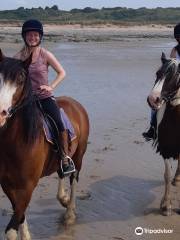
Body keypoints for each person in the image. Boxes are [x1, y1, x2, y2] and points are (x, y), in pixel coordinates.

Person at [15, 19, 75, 175]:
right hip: (24, 101)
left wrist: (51, 86)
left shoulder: (46, 54)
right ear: (24, 36)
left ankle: (64, 158)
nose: (32, 37)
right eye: (29, 35)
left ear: (40, 37)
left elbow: (62, 73)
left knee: (58, 122)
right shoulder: (18, 57)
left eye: (36, 35)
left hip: (44, 98)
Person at [142, 22, 180, 141]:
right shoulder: (175, 50)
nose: (178, 39)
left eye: (179, 37)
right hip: (176, 81)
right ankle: (153, 129)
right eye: (177, 37)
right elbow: (171, 66)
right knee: (157, 104)